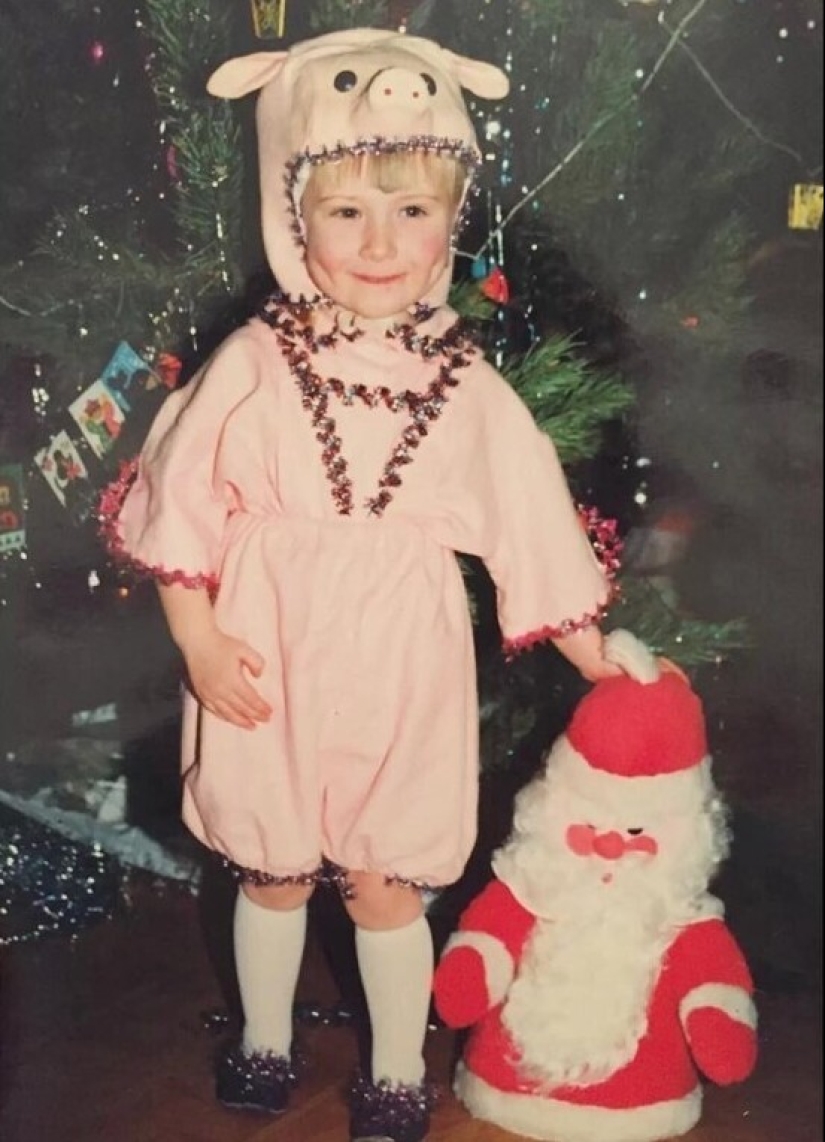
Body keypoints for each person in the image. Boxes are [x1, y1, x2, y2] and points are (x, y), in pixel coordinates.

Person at [100, 28, 623, 1142]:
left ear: (452, 218)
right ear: (295, 216)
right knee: (275, 868)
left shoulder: (466, 382)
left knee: (385, 878)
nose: (381, 241)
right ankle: (265, 1035)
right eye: (346, 211)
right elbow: (182, 502)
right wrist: (196, 638)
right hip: (265, 646)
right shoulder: (253, 361)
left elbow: (527, 515)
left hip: (402, 657)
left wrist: (594, 652)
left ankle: (394, 1064)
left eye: (412, 209)